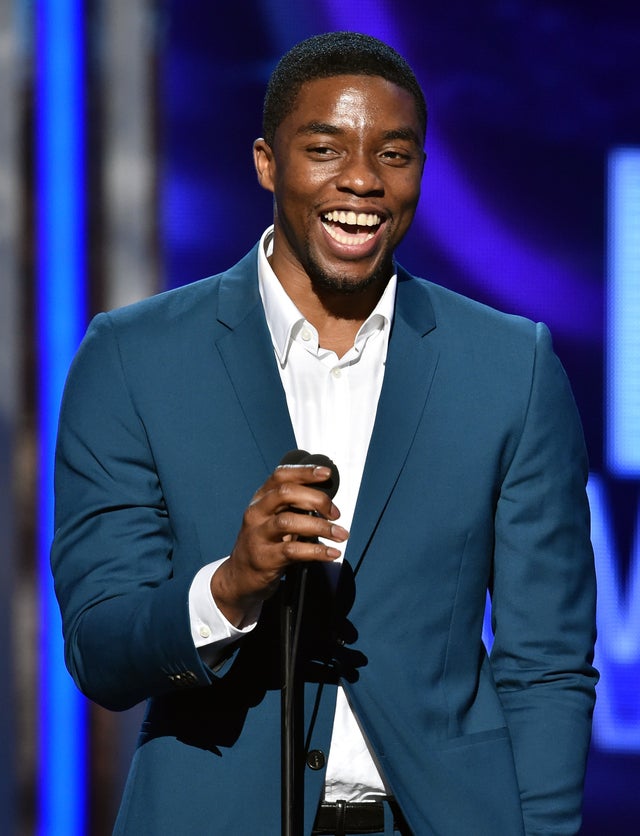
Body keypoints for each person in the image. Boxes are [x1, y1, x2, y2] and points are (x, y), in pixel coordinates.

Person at [51, 31, 598, 836]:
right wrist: (230, 585)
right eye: (325, 147)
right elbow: (101, 646)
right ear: (267, 163)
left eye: (395, 154)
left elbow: (546, 663)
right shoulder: (133, 356)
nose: (363, 180)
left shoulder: (510, 366)